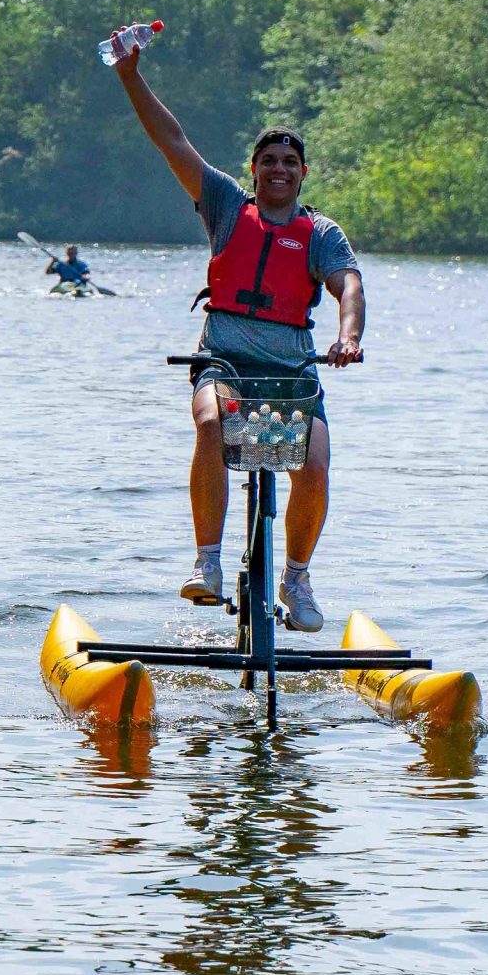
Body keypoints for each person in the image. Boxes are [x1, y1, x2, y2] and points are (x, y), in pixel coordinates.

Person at [110, 33, 363, 633]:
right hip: (223, 361)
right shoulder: (224, 203)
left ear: (303, 173)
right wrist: (129, 75)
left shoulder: (321, 232)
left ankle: (296, 576)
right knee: (210, 422)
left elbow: (348, 287)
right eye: (268, 161)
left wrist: (348, 336)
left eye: (289, 162)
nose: (279, 169)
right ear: (254, 170)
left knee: (315, 465)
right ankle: (208, 562)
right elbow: (171, 139)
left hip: (292, 373)